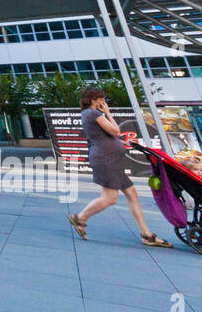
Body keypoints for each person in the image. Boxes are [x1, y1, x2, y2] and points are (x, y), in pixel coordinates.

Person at [68, 88, 172, 248]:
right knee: (110, 198)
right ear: (94, 99)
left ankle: (147, 234)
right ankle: (80, 218)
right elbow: (116, 131)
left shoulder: (90, 114)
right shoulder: (92, 114)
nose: (104, 102)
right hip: (106, 159)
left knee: (132, 193)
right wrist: (108, 113)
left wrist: (107, 114)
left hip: (112, 160)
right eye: (102, 99)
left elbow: (114, 132)